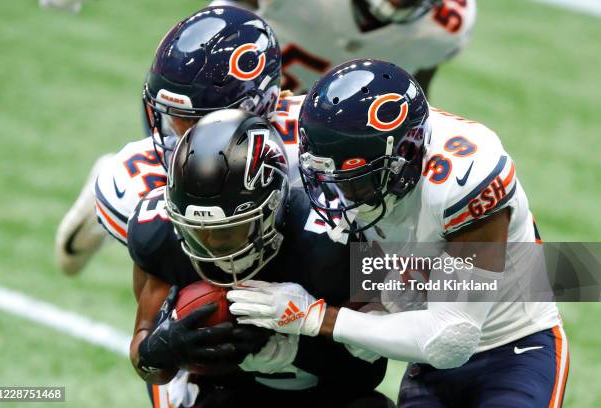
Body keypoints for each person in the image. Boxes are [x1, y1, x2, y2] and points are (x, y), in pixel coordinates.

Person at [227, 59, 569, 407]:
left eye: (357, 179)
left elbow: (451, 336)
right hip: (426, 357)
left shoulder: (465, 178)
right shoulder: (322, 133)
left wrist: (314, 317)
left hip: (513, 346)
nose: (340, 195)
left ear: (406, 156)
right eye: (327, 177)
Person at [128, 109, 392, 407]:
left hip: (330, 396)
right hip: (224, 393)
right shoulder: (159, 234)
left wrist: (299, 343)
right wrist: (160, 349)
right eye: (196, 233)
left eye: (229, 231)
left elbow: (367, 371)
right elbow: (146, 364)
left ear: (275, 204)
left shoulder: (334, 238)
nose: (213, 247)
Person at [55, 5, 288, 275]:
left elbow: (351, 273)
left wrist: (318, 316)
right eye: (174, 116)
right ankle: (96, 220)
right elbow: (154, 311)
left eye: (196, 120)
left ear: (257, 105)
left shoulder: (312, 155)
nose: (181, 134)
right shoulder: (140, 183)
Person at [210, 0, 476, 94]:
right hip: (230, 89)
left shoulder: (443, 27)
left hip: (313, 135)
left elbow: (412, 91)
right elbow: (220, 20)